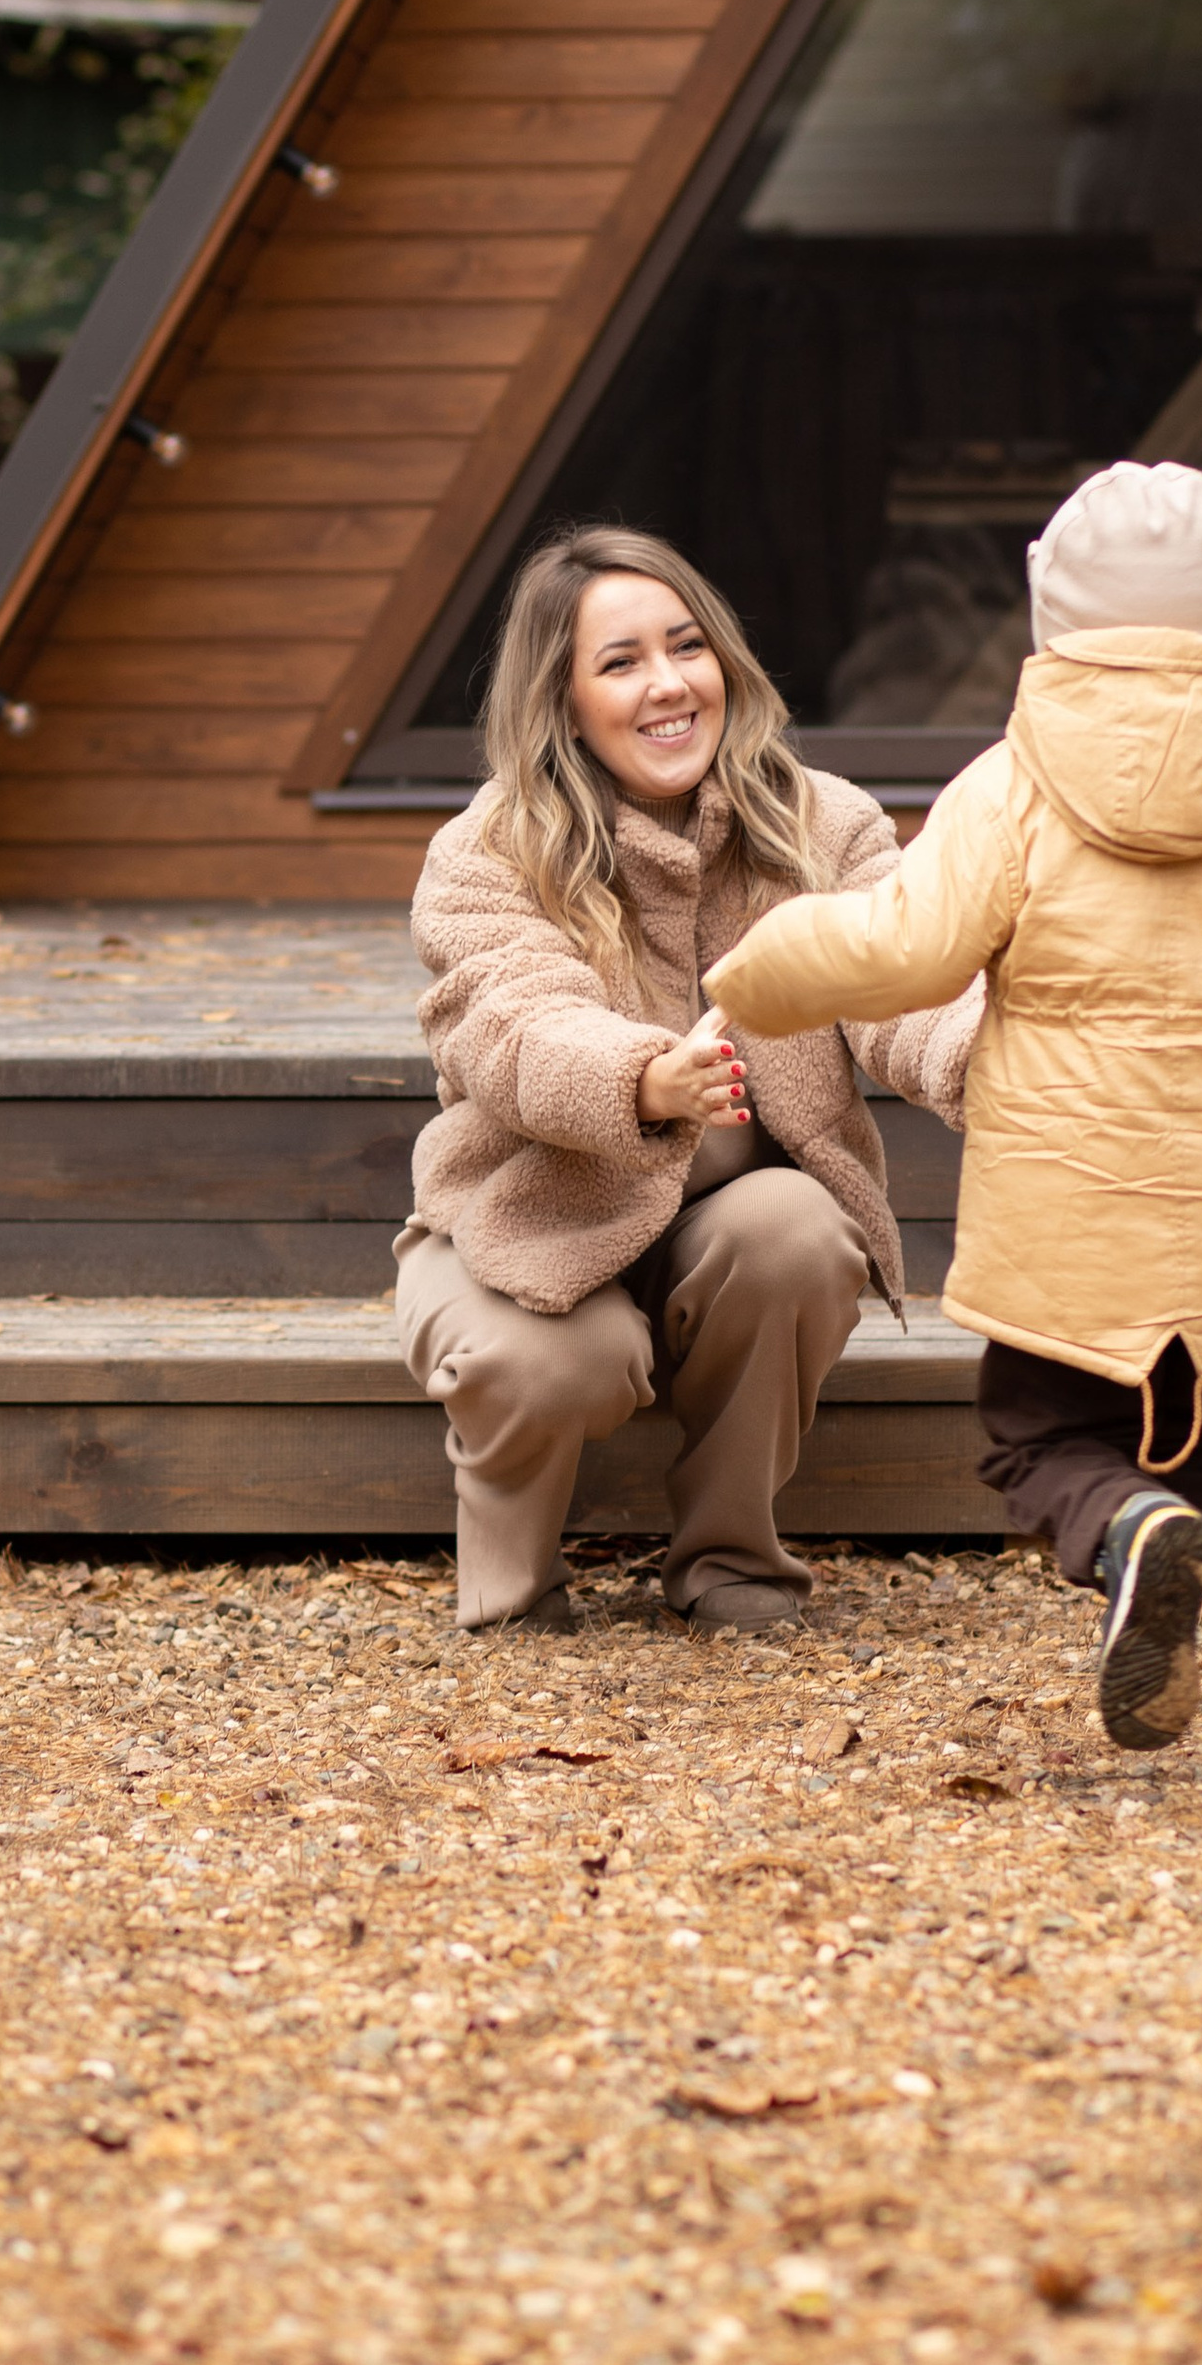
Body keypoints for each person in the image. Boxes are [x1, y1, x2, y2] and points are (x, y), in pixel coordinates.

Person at [704, 459, 1202, 1774]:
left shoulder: (1010, 785)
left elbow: (908, 949)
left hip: (1069, 1201)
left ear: (1052, 614)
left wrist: (754, 972)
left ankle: (1126, 1530)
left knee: (1041, 1438)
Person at [395, 526, 983, 1634]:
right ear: (562, 701)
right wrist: (641, 1078)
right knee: (563, 1361)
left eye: (686, 647)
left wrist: (997, 1065)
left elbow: (906, 985)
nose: (667, 685)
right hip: (521, 1225)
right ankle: (512, 1597)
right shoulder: (489, 850)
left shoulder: (827, 823)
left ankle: (733, 1567)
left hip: (726, 1233)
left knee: (798, 1227)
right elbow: (511, 1021)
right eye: (620, 663)